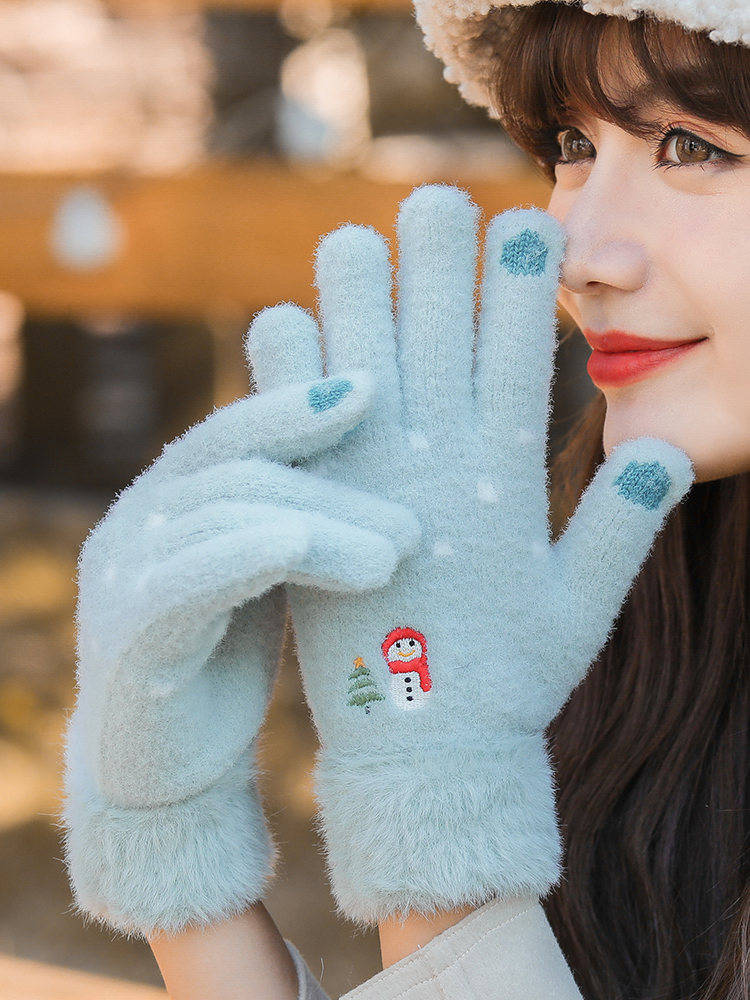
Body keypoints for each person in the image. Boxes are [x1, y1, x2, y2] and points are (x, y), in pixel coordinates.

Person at [62, 2, 750, 999]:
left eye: (692, 145)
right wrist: (180, 859)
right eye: (572, 145)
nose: (578, 251)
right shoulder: (659, 623)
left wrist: (433, 803)